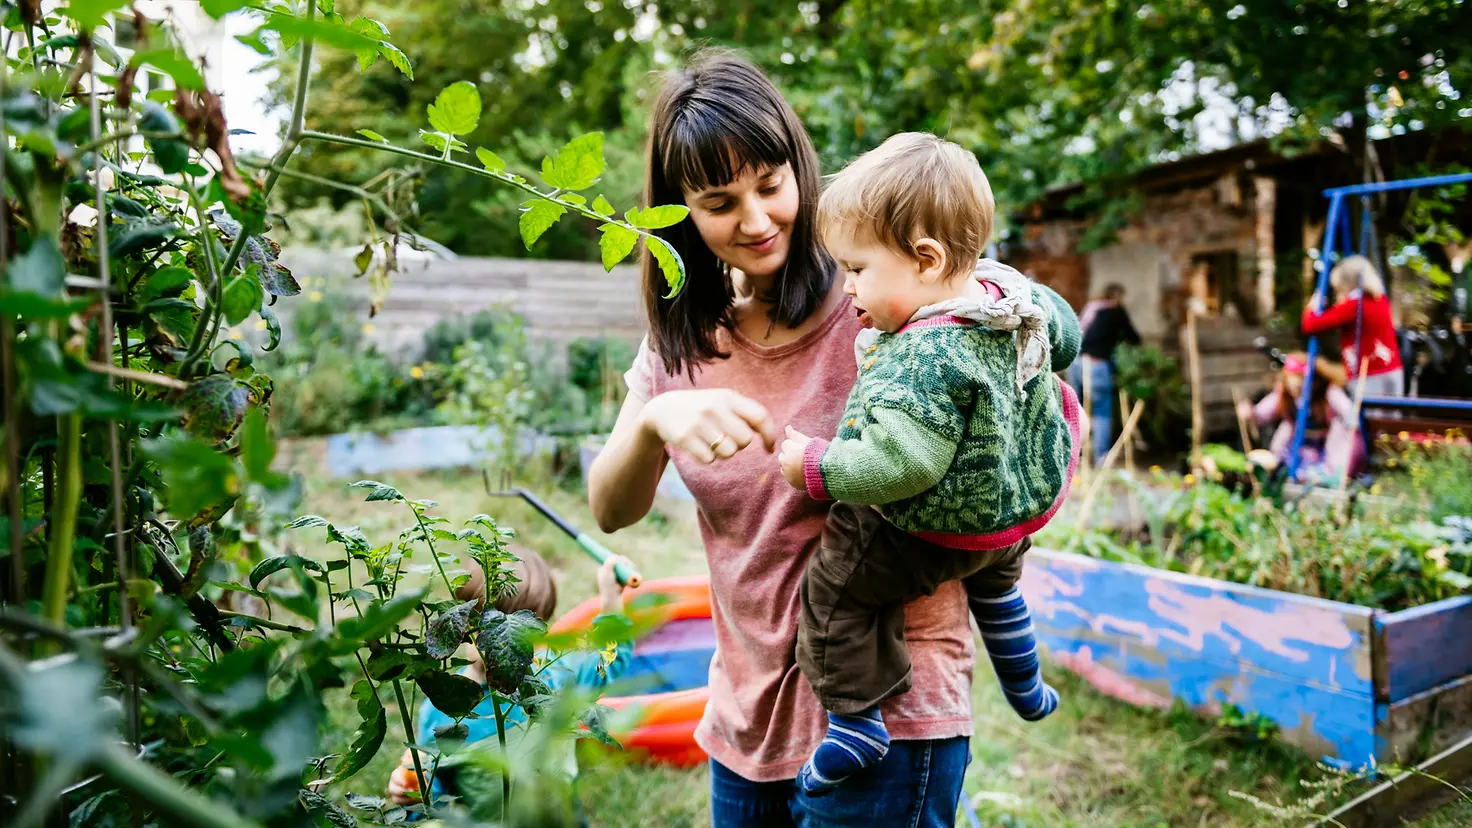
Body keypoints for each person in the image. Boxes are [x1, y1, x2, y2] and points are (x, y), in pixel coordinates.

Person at [588, 50, 981, 826]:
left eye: (770, 185)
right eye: (719, 202)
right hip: (745, 719)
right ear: (680, 213)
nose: (757, 219)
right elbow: (609, 508)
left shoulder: (885, 304)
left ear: (800, 169)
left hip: (886, 715)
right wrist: (655, 421)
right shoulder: (684, 339)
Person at [772, 133, 1081, 794]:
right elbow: (1068, 335)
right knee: (998, 588)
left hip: (933, 532)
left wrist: (813, 463)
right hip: (1009, 524)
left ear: (925, 259)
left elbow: (897, 466)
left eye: (857, 269)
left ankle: (856, 722)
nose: (846, 287)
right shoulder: (1008, 295)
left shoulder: (919, 353)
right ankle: (1025, 682)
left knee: (836, 595)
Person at [385, 550, 634, 823]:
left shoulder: (553, 678)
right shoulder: (444, 708)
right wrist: (413, 791)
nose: (508, 644)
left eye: (524, 632)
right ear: (463, 624)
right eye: (492, 628)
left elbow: (607, 660)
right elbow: (434, 785)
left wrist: (611, 601)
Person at [1237, 355, 1364, 484]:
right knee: (1284, 470)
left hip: (1323, 448)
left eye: (1299, 387)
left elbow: (1350, 413)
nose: (1295, 391)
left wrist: (1352, 423)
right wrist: (1250, 412)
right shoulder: (1285, 395)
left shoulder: (1328, 393)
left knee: (1319, 475)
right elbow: (1262, 413)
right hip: (1295, 447)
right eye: (1291, 387)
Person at [1301, 254, 1404, 398]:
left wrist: (1312, 306)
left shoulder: (1354, 306)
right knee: (1390, 417)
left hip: (1369, 373)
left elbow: (1311, 325)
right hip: (1392, 368)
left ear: (1347, 284)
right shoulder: (1381, 300)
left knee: (1368, 417)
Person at [1070, 282, 1140, 463]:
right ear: (1117, 297)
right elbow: (1134, 338)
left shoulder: (1092, 308)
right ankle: (1101, 458)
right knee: (1101, 412)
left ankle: (1072, 456)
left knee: (1075, 410)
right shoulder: (1117, 312)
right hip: (1097, 365)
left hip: (1076, 363)